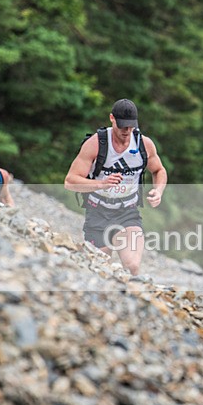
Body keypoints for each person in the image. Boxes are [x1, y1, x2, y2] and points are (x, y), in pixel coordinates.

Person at [64, 99, 167, 276]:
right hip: (98, 213)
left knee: (132, 266)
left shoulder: (144, 144)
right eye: (122, 127)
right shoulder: (96, 144)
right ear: (112, 119)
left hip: (128, 213)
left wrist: (158, 191)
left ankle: (133, 300)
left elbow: (159, 170)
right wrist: (101, 184)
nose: (127, 131)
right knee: (99, 269)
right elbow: (70, 181)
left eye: (131, 127)